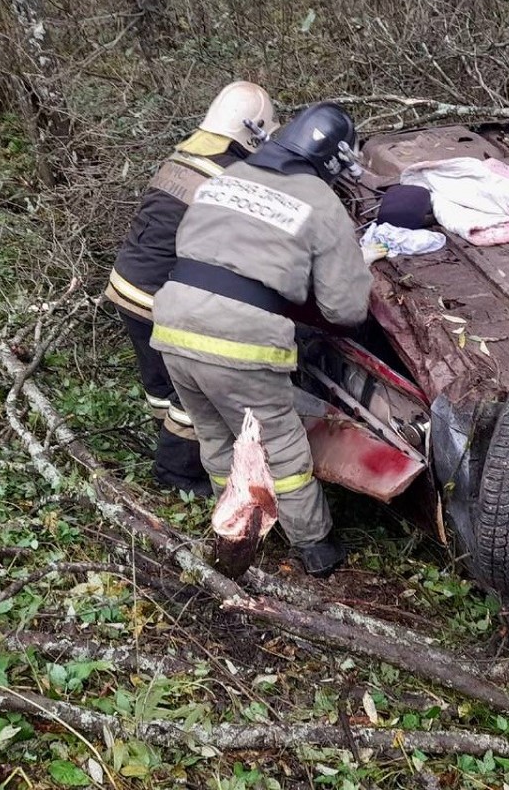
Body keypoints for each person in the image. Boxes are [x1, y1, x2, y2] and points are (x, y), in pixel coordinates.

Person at [150, 103, 372, 578]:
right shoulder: (320, 201)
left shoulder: (225, 178)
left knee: (215, 434)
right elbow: (346, 309)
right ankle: (314, 546)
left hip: (172, 322)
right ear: (335, 162)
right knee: (281, 445)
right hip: (239, 339)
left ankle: (235, 524)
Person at [106, 82, 278, 496]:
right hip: (163, 296)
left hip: (127, 284)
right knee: (194, 392)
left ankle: (165, 435)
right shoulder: (233, 176)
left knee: (161, 380)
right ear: (253, 132)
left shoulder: (184, 155)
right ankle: (177, 472)